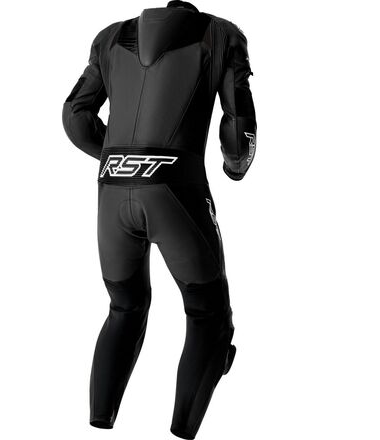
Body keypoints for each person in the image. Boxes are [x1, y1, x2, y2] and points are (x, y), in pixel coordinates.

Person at [62, 1, 257, 438]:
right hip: (177, 193)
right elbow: (239, 127)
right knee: (208, 314)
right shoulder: (220, 34)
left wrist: (121, 159)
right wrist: (235, 168)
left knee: (124, 307)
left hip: (112, 193)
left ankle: (100, 419)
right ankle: (182, 429)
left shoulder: (110, 38)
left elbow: (75, 117)